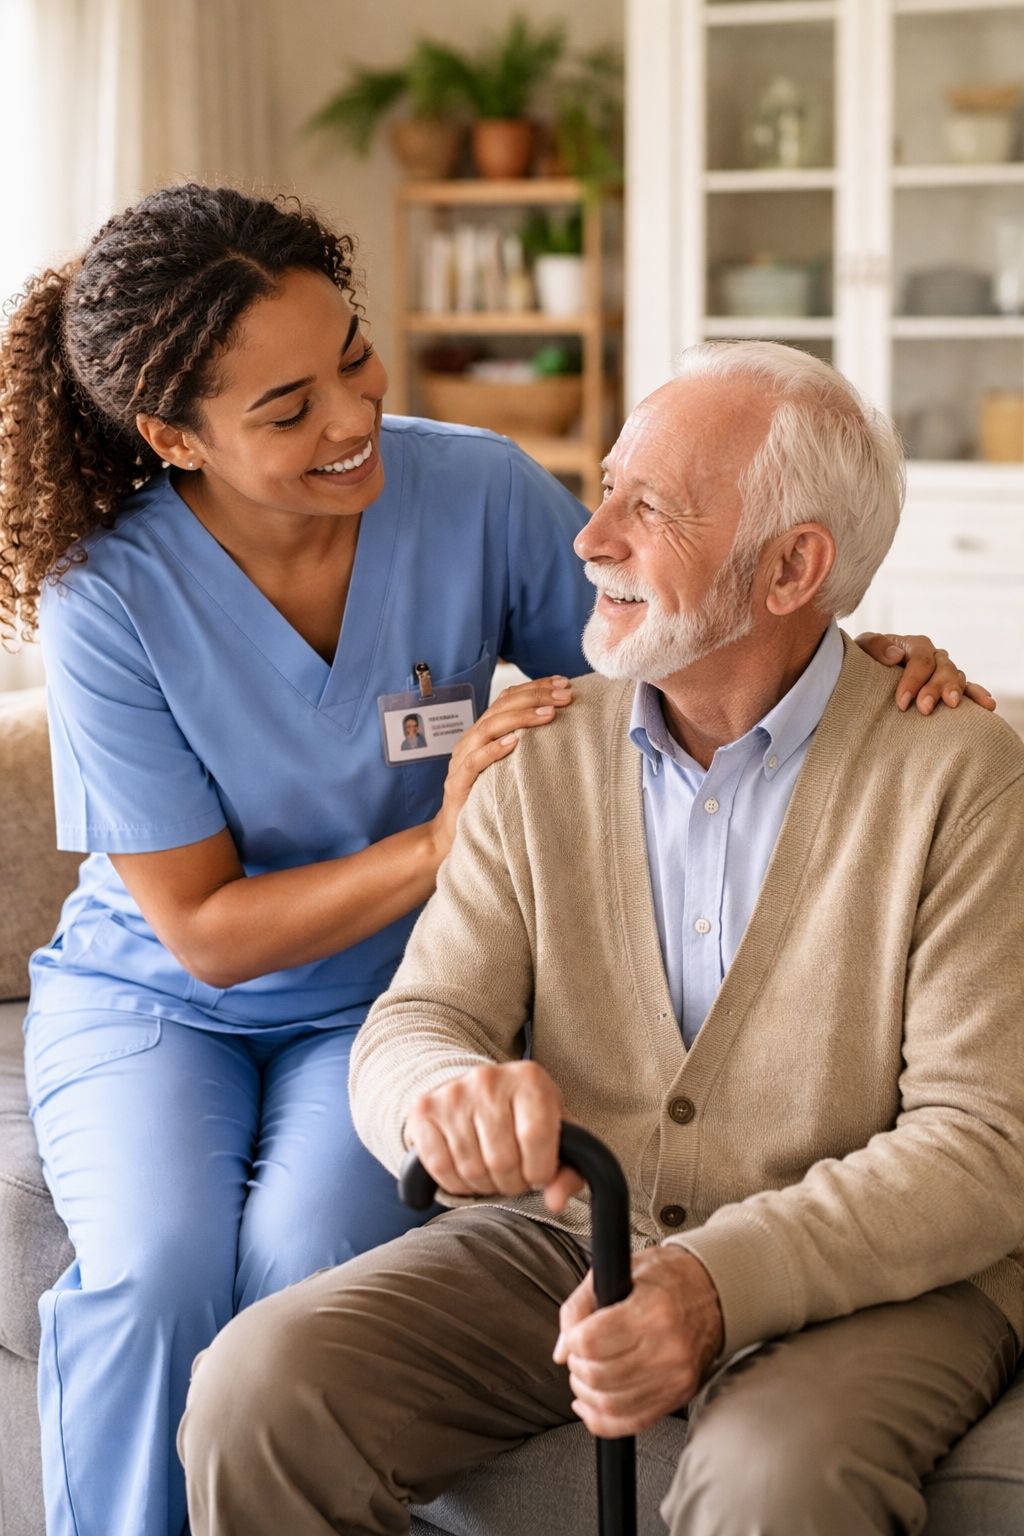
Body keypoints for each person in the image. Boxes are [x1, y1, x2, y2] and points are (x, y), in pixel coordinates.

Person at [0, 183, 979, 1536]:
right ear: (177, 437)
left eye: (351, 355)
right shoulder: (109, 592)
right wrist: (443, 844)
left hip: (373, 993)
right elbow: (210, 931)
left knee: (307, 1264)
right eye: (286, 411)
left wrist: (867, 658)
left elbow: (687, 635)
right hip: (170, 999)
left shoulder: (467, 491)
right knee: (158, 1274)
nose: (350, 418)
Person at [178, 342, 1024, 1536]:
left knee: (772, 1486)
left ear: (794, 566)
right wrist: (443, 1098)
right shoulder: (542, 753)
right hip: (575, 1239)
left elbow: (982, 1144)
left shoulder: (964, 777)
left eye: (650, 506)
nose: (589, 537)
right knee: (258, 1392)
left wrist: (716, 1286)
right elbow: (421, 1020)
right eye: (605, 486)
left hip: (882, 1276)